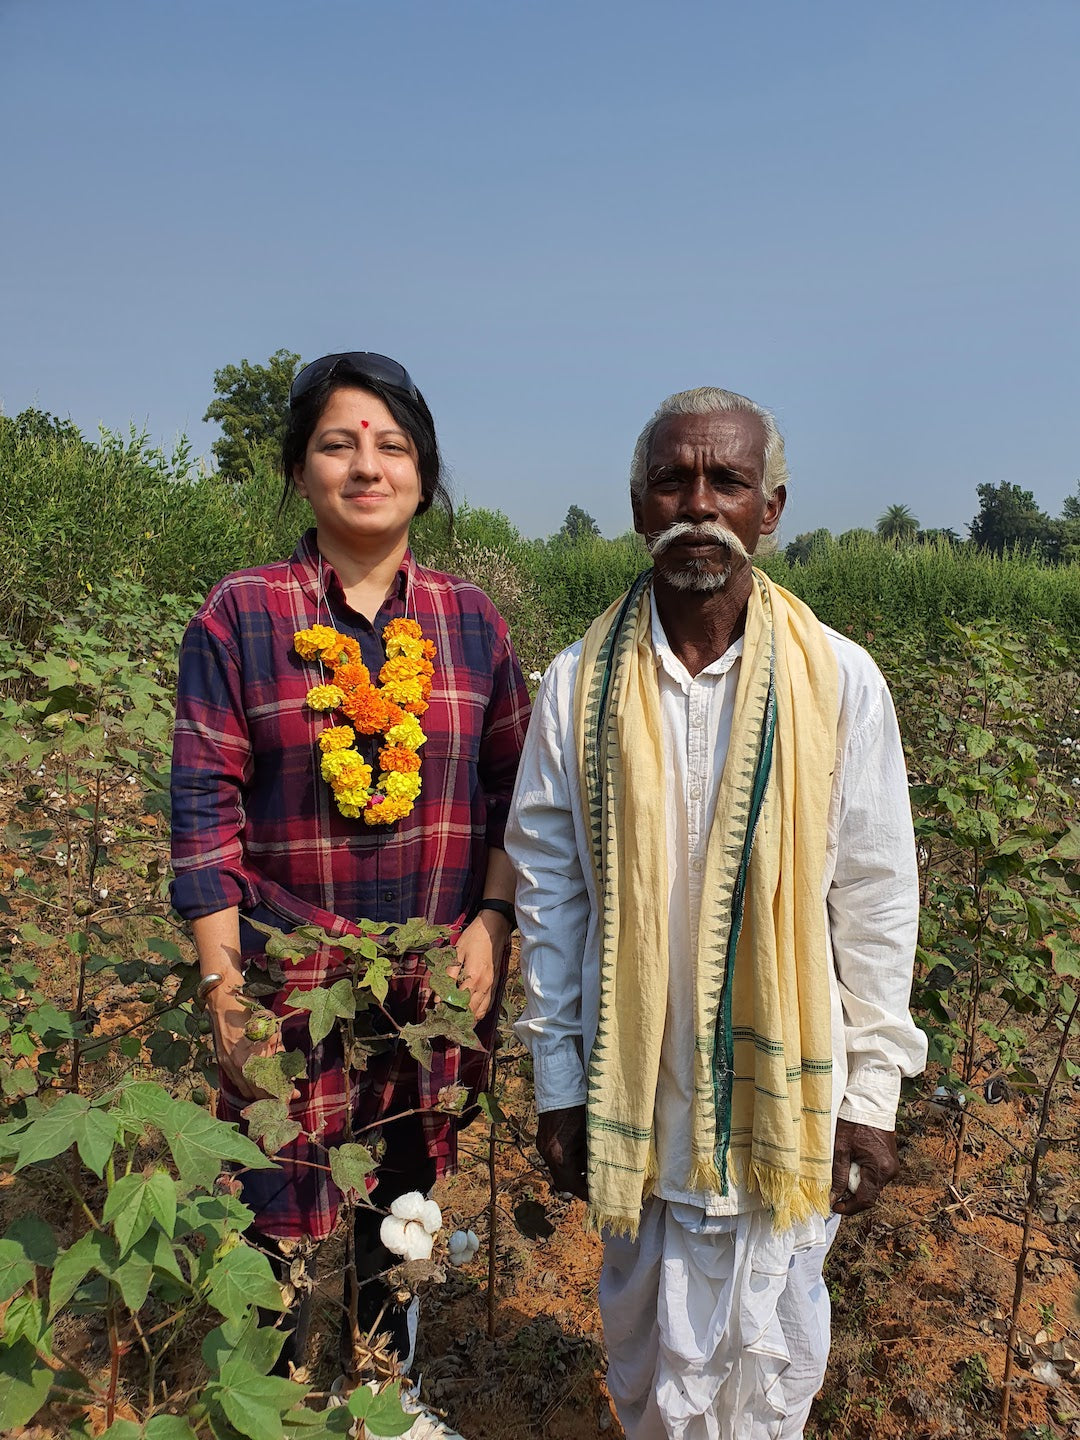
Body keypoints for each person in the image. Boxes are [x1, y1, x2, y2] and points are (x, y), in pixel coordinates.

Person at [505, 387, 927, 1440]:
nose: (700, 503)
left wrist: (873, 1092)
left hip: (782, 1089)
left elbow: (876, 895)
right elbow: (550, 898)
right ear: (640, 507)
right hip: (639, 1082)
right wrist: (558, 1082)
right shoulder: (576, 686)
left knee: (774, 1344)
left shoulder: (841, 680)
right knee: (644, 1343)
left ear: (768, 508)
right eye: (673, 479)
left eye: (726, 481)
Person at [171, 352, 530, 1430]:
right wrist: (223, 983)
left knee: (402, 1202)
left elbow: (520, 798)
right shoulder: (243, 616)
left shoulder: (473, 624)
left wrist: (494, 921)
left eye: (392, 446)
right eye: (338, 443)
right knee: (275, 1213)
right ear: (298, 472)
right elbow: (203, 812)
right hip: (288, 982)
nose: (366, 466)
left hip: (431, 985)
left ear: (423, 474)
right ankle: (276, 1409)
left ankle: (387, 1399)